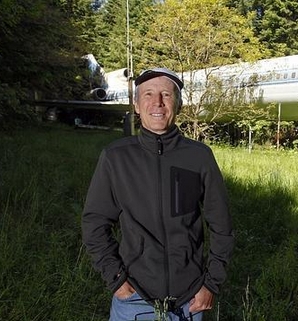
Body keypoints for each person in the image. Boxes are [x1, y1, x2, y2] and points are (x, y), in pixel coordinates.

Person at [82, 68, 234, 321]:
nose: (158, 102)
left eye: (166, 94)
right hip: (133, 299)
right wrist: (117, 280)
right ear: (137, 105)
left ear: (178, 104)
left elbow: (222, 225)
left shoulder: (199, 156)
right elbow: (94, 223)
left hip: (190, 301)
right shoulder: (115, 157)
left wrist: (211, 284)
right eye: (148, 94)